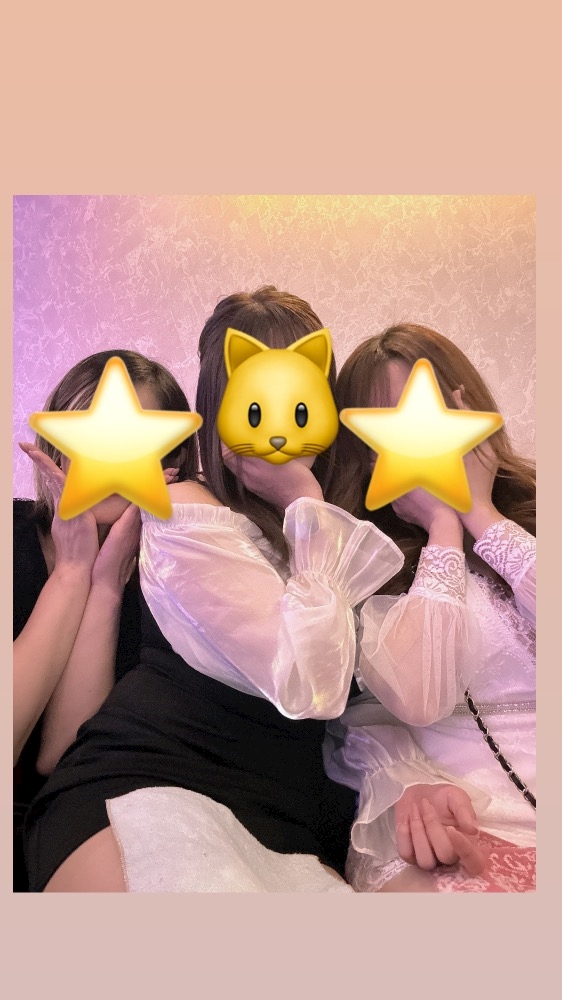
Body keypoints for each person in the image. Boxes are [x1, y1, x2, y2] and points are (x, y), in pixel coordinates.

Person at [23, 287, 405, 893]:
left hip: (285, 818)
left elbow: (377, 701)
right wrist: (305, 501)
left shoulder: (335, 530)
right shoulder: (188, 514)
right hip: (154, 780)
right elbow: (310, 682)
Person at [323, 323, 536, 892]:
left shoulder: (537, 511)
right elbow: (418, 699)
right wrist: (443, 527)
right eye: (387, 426)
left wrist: (482, 515)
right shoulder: (364, 558)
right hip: (450, 808)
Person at [14, 349, 195, 890]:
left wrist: (105, 584)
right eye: (95, 438)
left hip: (77, 835)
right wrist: (71, 572)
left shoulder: (171, 583)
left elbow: (61, 758)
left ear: (172, 462)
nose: (113, 459)